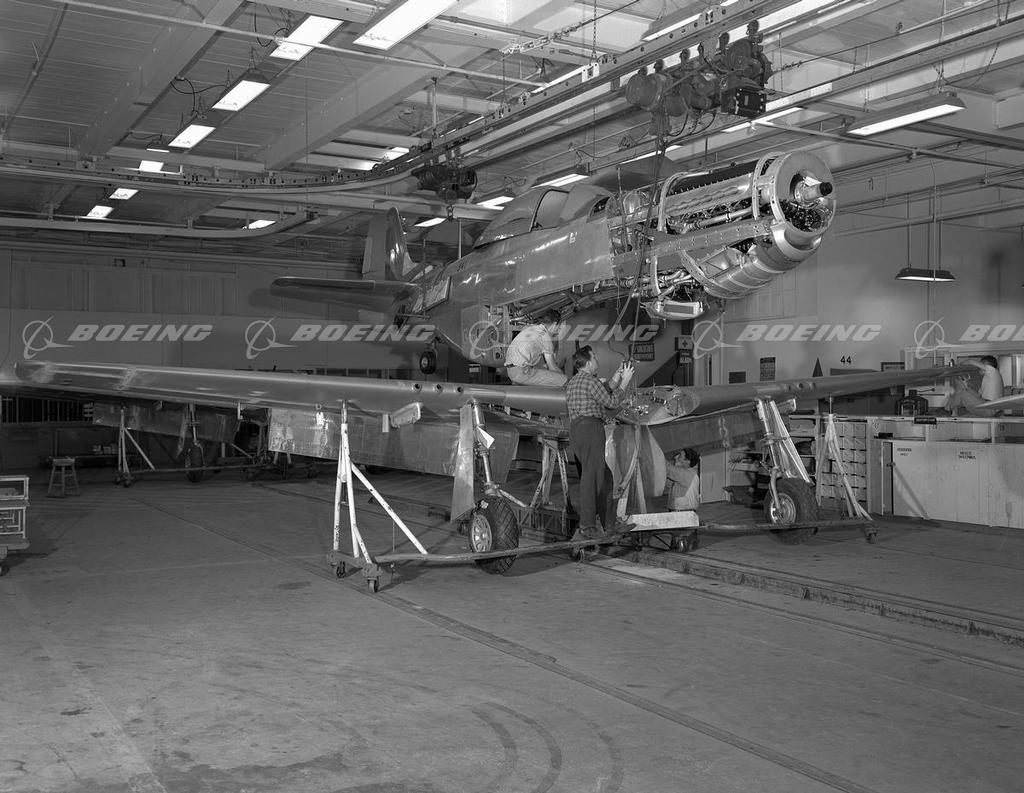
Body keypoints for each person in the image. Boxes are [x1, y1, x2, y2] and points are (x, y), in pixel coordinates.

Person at [565, 346, 635, 539]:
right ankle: (587, 527)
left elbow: (604, 391)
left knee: (605, 478)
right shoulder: (590, 380)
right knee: (592, 478)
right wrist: (625, 382)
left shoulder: (576, 381)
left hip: (579, 431)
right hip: (590, 429)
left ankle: (609, 524)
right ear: (588, 363)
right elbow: (611, 402)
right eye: (594, 358)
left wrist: (618, 375)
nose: (597, 361)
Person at [505, 310, 567, 387]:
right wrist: (563, 377)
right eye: (559, 327)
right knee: (563, 379)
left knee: (545, 373)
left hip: (511, 371)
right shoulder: (545, 337)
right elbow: (552, 367)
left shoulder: (529, 328)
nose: (558, 330)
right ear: (554, 324)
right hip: (522, 372)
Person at [939, 356, 1004, 417]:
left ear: (989, 366)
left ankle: (946, 410)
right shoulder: (989, 379)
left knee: (962, 393)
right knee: (961, 388)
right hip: (988, 407)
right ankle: (948, 410)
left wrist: (958, 366)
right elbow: (977, 396)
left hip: (989, 409)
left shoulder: (993, 371)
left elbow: (970, 361)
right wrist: (966, 385)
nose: (979, 367)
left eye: (982, 364)